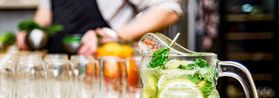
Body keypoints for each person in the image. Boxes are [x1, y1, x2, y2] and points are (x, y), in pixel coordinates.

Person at [17, 0, 182, 55]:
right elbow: (44, 15)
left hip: (107, 75)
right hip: (60, 71)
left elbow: (169, 9)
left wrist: (114, 35)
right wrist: (31, 31)